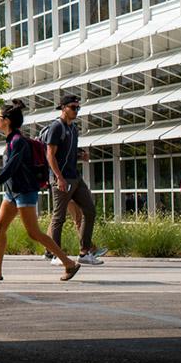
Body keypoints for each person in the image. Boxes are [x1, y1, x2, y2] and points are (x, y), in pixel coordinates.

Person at [0, 100, 81, 282]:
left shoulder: (18, 142)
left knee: (34, 233)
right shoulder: (11, 140)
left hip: (25, 191)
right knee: (0, 227)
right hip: (12, 191)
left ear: (7, 121)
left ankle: (69, 263)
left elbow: (10, 168)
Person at [42, 94, 105, 266]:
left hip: (75, 177)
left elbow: (68, 151)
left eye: (78, 108)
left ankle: (84, 253)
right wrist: (59, 178)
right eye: (73, 107)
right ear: (63, 108)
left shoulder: (73, 129)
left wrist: (80, 155)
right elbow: (50, 155)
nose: (76, 110)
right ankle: (56, 255)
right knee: (59, 218)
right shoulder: (56, 127)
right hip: (62, 178)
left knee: (90, 210)